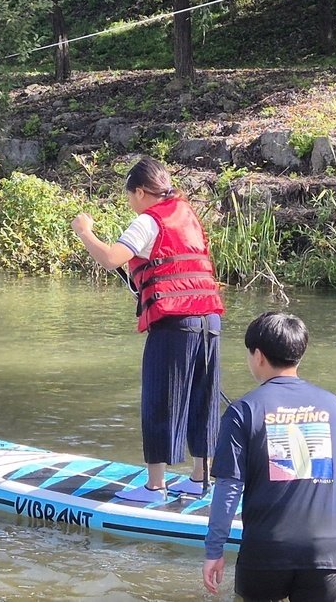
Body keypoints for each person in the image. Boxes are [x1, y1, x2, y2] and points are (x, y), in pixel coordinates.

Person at [72, 155, 224, 501]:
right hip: (209, 322)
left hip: (175, 323)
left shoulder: (148, 222)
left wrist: (85, 232)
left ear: (140, 191)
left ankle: (155, 486)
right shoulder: (188, 215)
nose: (129, 202)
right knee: (202, 398)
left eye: (129, 195)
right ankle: (200, 480)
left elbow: (111, 259)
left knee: (159, 399)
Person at [202, 312, 336, 602]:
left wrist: (214, 550)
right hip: (327, 555)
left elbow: (228, 488)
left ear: (259, 356)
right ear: (299, 355)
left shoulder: (244, 411)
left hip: (265, 554)